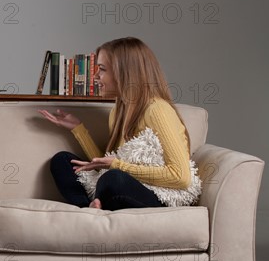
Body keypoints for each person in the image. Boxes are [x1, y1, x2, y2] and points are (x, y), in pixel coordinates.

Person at [39, 37, 192, 211]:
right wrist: (78, 129)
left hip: (157, 194)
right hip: (120, 184)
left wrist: (117, 166)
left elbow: (181, 176)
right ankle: (88, 208)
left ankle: (98, 205)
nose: (96, 76)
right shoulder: (118, 111)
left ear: (124, 73)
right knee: (62, 161)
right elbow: (104, 163)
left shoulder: (157, 110)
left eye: (102, 69)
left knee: (113, 179)